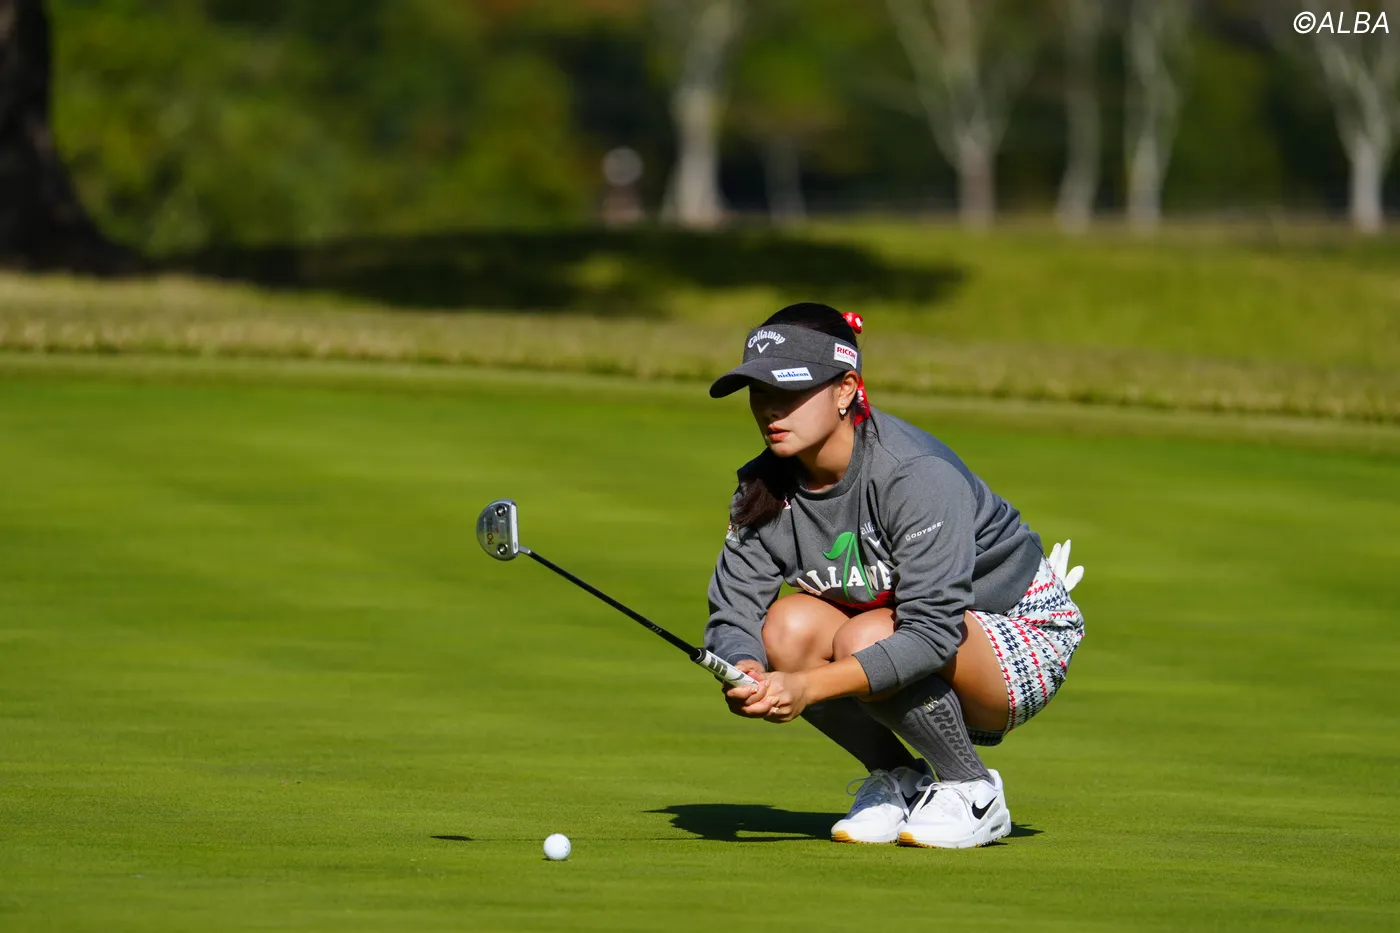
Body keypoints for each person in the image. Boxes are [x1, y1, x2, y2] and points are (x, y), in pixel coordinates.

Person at [704, 302, 1086, 848]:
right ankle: (900, 781)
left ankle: (973, 790)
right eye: (759, 392)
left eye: (790, 390)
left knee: (868, 637)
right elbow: (734, 611)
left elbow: (930, 633)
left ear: (845, 389)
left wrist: (806, 687)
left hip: (1019, 632)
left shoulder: (912, 472)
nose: (771, 410)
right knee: (784, 629)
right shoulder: (762, 488)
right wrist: (744, 669)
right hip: (898, 626)